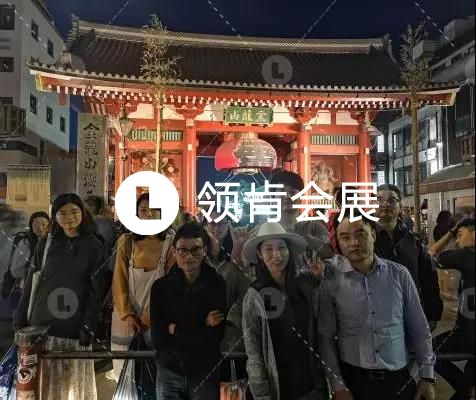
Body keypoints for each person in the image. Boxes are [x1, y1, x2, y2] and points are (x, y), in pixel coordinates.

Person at [318, 211, 436, 400]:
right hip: (354, 380)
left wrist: (427, 376)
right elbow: (326, 338)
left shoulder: (399, 275)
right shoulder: (331, 282)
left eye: (360, 234)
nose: (354, 242)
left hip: (398, 378)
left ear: (373, 234)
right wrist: (338, 386)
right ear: (338, 242)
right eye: (345, 237)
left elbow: (420, 328)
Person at [13, 193, 105, 400]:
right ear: (54, 216)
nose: (68, 217)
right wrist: (20, 315)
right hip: (41, 326)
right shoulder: (46, 243)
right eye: (62, 213)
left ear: (83, 213)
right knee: (41, 386)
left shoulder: (94, 246)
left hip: (74, 327)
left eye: (74, 211)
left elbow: (96, 292)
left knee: (69, 386)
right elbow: (31, 281)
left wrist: (89, 325)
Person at [242, 222, 329, 400]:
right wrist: (262, 394)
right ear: (259, 254)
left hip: (311, 386)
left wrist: (320, 278)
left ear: (289, 250)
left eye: (282, 247)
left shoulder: (304, 284)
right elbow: (253, 350)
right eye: (268, 249)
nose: (277, 254)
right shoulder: (255, 295)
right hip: (278, 388)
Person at [150, 222, 227, 400]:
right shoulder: (160, 288)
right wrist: (202, 324)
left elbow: (216, 336)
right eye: (183, 250)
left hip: (205, 371)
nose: (188, 256)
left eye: (195, 250)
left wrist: (176, 329)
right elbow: (158, 339)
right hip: (169, 370)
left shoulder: (216, 284)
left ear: (204, 251)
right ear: (174, 252)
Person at [110, 192, 175, 381]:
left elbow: (172, 283)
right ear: (136, 213)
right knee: (125, 371)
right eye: (143, 210)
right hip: (126, 318)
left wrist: (149, 317)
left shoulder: (170, 243)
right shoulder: (126, 242)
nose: (148, 214)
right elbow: (119, 279)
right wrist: (128, 313)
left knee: (155, 370)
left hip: (158, 318)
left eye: (154, 210)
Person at [374, 184, 443, 327]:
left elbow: (428, 278)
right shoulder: (365, 240)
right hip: (377, 317)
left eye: (392, 200)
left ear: (400, 206)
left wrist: (433, 313)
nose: (386, 204)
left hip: (411, 314)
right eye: (379, 199)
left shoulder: (414, 241)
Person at [429, 218, 475, 400]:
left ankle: (466, 389)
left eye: (460, 235)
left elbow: (431, 253)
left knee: (429, 350)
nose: (457, 240)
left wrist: (450, 233)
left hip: (468, 335)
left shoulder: (466, 254)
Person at [9, 212, 50, 288]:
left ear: (49, 226)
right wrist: (36, 272)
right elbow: (15, 271)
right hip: (28, 287)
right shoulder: (26, 243)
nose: (40, 227)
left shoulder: (52, 241)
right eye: (36, 224)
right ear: (31, 226)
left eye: (44, 224)